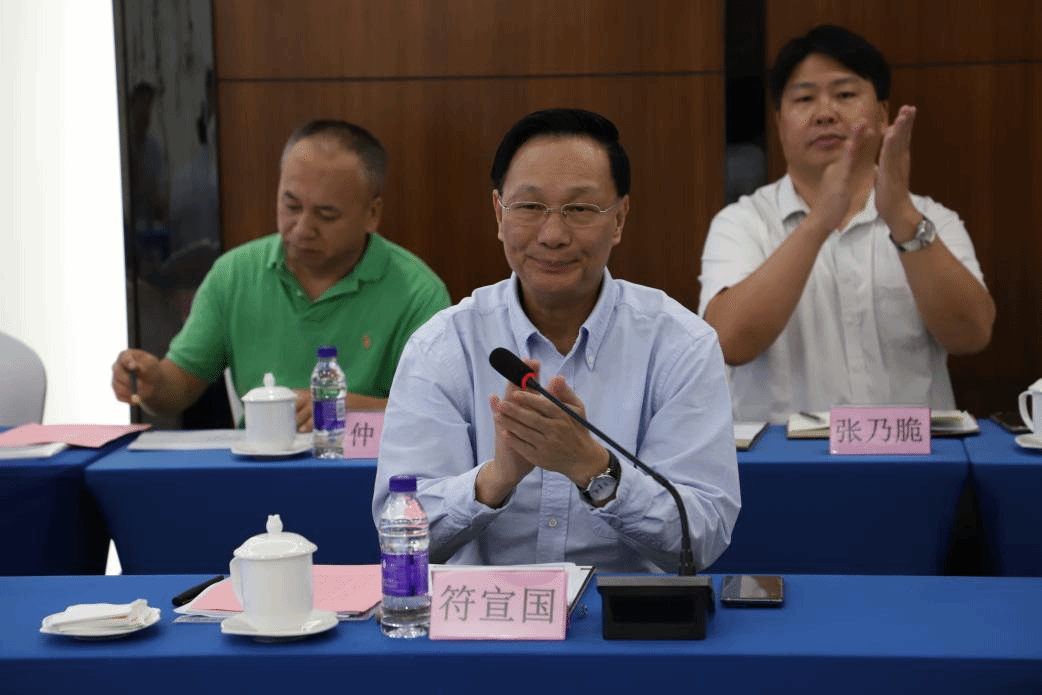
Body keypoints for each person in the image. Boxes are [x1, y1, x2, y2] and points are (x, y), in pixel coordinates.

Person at [373, 109, 740, 573]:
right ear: (499, 214)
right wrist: (495, 480)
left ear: (620, 218)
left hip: (624, 613)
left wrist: (594, 470)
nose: (552, 235)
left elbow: (701, 536)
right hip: (485, 614)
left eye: (580, 210)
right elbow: (399, 535)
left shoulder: (680, 345)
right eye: (529, 207)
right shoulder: (443, 346)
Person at [699, 25, 995, 423]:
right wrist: (819, 222)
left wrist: (902, 218)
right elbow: (728, 343)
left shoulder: (931, 220)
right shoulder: (742, 223)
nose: (825, 113)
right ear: (780, 122)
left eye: (845, 95)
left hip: (912, 454)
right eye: (804, 98)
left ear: (883, 114)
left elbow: (971, 335)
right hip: (785, 457)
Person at [112, 119, 451, 429]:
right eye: (291, 206)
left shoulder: (417, 293)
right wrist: (153, 382)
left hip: (369, 471)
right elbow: (182, 382)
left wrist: (351, 411)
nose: (302, 229)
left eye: (326, 215)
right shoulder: (235, 274)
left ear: (372, 214)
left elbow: (437, 414)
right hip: (258, 467)